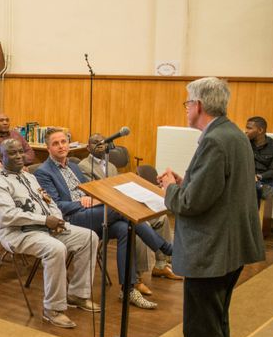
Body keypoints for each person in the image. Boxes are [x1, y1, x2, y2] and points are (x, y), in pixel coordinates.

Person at [158, 77, 265, 337]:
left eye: (187, 103)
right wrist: (185, 182)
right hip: (229, 246)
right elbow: (220, 187)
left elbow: (191, 204)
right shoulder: (232, 134)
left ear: (199, 105)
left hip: (210, 251)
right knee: (217, 319)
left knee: (202, 330)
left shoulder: (215, 141)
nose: (186, 108)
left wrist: (169, 187)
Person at [36, 128, 176, 309]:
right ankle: (165, 248)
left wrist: (95, 199)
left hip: (91, 214)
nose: (61, 146)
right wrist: (83, 202)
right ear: (48, 148)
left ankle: (128, 289)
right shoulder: (43, 172)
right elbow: (54, 206)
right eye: (56, 143)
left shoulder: (73, 166)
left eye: (63, 142)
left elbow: (91, 189)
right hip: (71, 218)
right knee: (120, 210)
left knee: (125, 228)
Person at [0, 139, 98, 329]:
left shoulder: (28, 176)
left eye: (21, 151)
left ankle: (77, 294)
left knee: (89, 237)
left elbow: (48, 200)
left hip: (46, 227)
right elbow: (7, 217)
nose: (19, 156)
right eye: (12, 153)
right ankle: (52, 309)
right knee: (56, 249)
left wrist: (56, 219)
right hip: (18, 233)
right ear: (1, 157)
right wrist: (45, 221)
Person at [80, 132, 178, 283]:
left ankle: (160, 264)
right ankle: (136, 280)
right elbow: (92, 192)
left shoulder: (111, 166)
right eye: (96, 143)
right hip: (105, 210)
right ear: (88, 147)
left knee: (162, 218)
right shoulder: (84, 166)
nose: (101, 146)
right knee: (138, 224)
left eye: (103, 143)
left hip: (122, 204)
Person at [244, 116, 273, 203]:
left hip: (267, 182)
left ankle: (253, 216)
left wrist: (258, 176)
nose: (246, 131)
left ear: (260, 130)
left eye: (249, 128)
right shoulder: (244, 144)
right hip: (248, 179)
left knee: (256, 188)